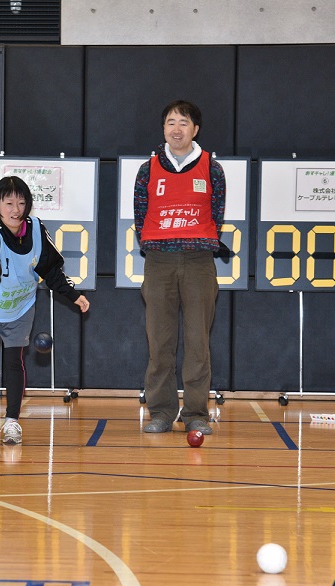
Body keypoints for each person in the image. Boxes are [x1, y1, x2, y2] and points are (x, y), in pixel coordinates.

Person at [0, 176, 90, 444]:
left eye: (21, 203)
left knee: (14, 362)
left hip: (20, 306)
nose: (15, 209)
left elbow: (50, 269)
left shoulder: (35, 229)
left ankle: (12, 422)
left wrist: (73, 294)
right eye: (8, 203)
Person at [134, 100, 226, 435]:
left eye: (183, 122)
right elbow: (140, 215)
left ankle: (196, 414)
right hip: (158, 263)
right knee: (160, 343)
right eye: (170, 122)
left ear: (195, 129)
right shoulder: (148, 169)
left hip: (199, 262)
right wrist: (161, 245)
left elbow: (216, 215)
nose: (176, 129)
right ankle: (160, 412)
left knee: (198, 343)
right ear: (163, 129)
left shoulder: (211, 168)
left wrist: (193, 242)